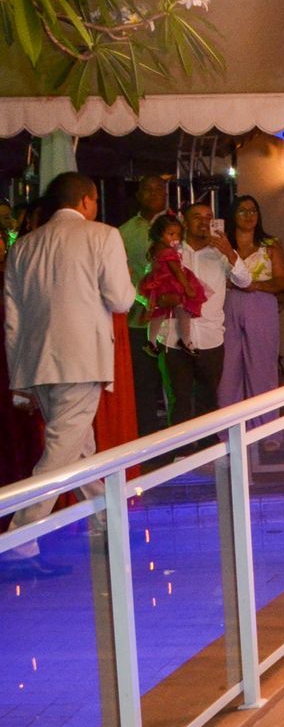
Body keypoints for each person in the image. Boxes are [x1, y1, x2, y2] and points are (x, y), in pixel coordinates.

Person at [1, 173, 137, 577]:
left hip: (36, 362)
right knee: (61, 454)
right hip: (80, 360)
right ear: (86, 200)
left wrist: (18, 379)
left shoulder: (23, 246)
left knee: (79, 448)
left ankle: (108, 524)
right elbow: (120, 298)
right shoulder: (103, 236)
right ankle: (17, 541)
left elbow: (12, 319)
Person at [149, 203, 240, 425]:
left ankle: (210, 450)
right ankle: (182, 453)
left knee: (208, 399)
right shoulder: (171, 251)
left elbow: (244, 280)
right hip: (173, 337)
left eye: (209, 216)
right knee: (179, 399)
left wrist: (229, 252)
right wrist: (161, 299)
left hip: (211, 337)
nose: (204, 221)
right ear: (184, 221)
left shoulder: (220, 254)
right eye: (197, 217)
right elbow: (149, 289)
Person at [219, 195, 284, 406]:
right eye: (242, 211)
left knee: (261, 367)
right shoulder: (223, 246)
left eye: (253, 211)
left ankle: (265, 429)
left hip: (260, 304)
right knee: (228, 368)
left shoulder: (269, 246)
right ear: (233, 215)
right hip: (228, 306)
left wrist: (255, 286)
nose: (249, 215)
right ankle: (228, 428)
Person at [118, 174, 170, 437]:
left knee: (177, 382)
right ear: (137, 195)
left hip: (173, 318)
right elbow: (120, 276)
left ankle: (181, 439)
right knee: (144, 382)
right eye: (146, 189)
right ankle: (147, 440)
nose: (153, 193)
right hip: (140, 318)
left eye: (158, 189)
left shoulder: (179, 226)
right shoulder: (124, 232)